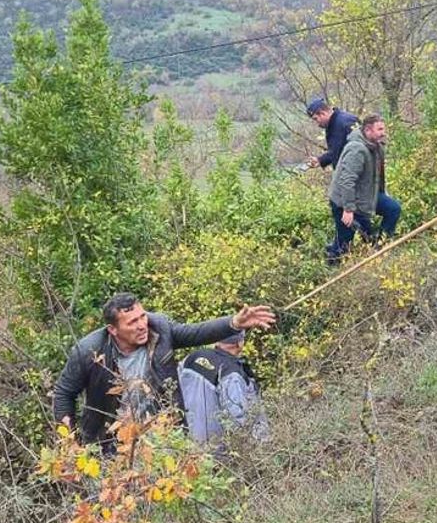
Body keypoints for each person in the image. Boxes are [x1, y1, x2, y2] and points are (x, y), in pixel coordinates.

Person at [52, 293, 276, 449]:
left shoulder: (159, 328)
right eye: (132, 322)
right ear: (113, 329)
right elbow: (64, 393)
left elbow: (196, 332)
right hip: (110, 441)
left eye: (142, 316)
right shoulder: (89, 351)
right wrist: (69, 442)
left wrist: (234, 323)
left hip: (164, 436)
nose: (142, 325)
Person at [327, 114, 401, 264]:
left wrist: (381, 192)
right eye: (379, 129)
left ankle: (380, 248)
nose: (383, 132)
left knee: (393, 208)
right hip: (344, 202)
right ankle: (332, 267)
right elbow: (347, 181)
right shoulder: (357, 150)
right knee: (344, 243)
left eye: (383, 129)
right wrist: (348, 210)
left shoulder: (376, 147)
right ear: (368, 130)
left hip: (365, 196)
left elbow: (376, 175)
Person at [179, 331, 270, 447]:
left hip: (183, 444)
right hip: (214, 454)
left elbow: (172, 391)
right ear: (240, 343)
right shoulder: (231, 374)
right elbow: (237, 420)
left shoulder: (192, 357)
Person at [306, 97, 359, 170]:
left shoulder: (345, 123)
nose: (317, 123)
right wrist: (321, 160)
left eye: (316, 119)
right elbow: (337, 151)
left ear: (322, 113)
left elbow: (356, 151)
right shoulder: (334, 124)